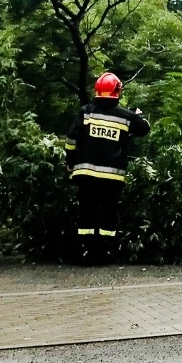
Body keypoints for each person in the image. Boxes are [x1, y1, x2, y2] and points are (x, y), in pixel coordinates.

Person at [64, 72, 150, 262]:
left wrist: (70, 162)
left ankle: (85, 252)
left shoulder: (86, 112)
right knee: (108, 213)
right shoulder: (125, 116)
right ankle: (104, 252)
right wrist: (139, 115)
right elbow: (144, 129)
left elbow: (71, 139)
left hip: (85, 174)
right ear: (117, 91)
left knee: (86, 212)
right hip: (112, 177)